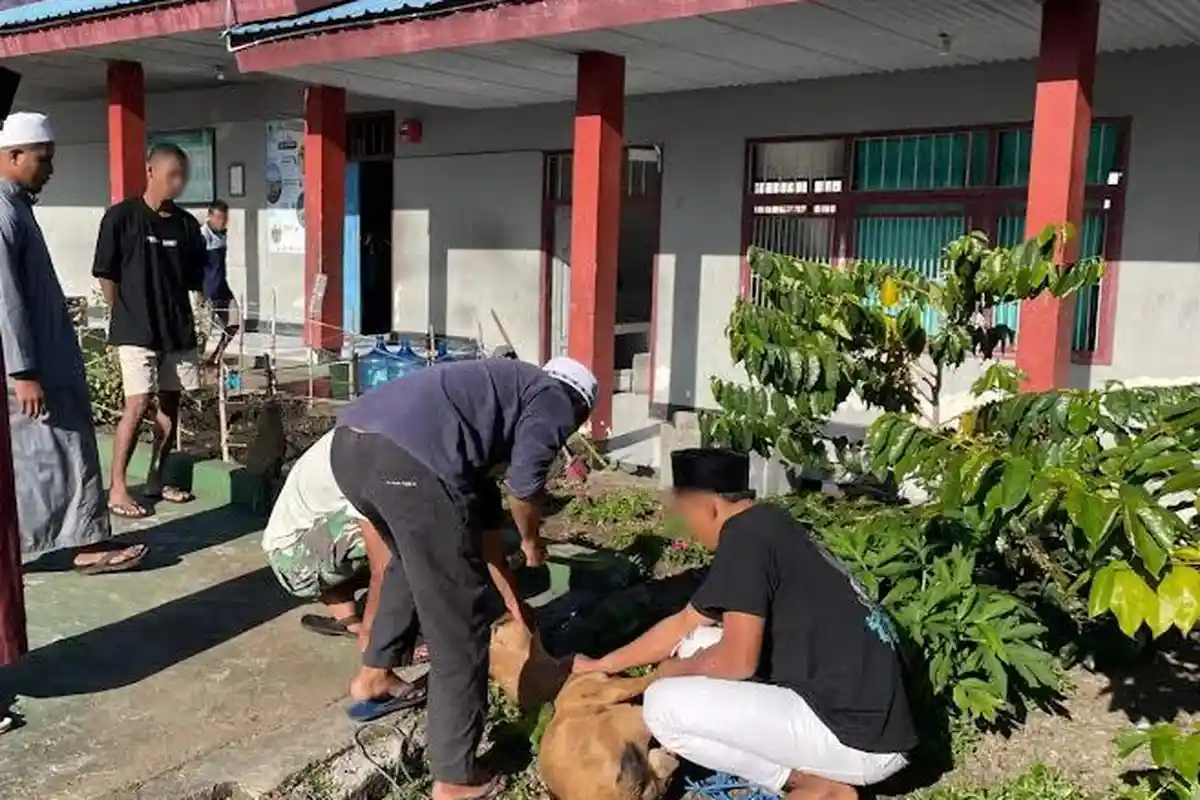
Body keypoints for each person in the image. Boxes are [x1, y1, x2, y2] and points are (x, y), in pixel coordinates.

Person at [574, 448, 917, 800]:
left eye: (685, 513)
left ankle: (810, 786)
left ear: (707, 505)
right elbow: (685, 623)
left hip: (858, 739)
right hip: (870, 716)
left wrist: (673, 671)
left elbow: (738, 662)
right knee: (696, 641)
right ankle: (820, 778)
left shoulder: (743, 540)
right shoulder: (766, 524)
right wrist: (603, 665)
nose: (688, 528)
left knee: (662, 706)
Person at [330, 355, 596, 800]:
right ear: (580, 406)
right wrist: (531, 542)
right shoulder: (553, 398)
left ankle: (373, 677)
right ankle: (455, 777)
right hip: (408, 464)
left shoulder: (492, 401)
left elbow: (483, 525)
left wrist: (512, 600)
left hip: (349, 448)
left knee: (413, 561)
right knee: (459, 625)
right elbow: (525, 489)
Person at [0, 111, 147, 573]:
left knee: (57, 456)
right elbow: (4, 298)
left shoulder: (17, 205)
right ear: (13, 155)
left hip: (47, 362)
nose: (50, 169)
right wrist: (23, 371)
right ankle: (84, 546)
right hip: (33, 369)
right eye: (43, 160)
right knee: (54, 457)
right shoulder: (2, 211)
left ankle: (77, 542)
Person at [93, 142, 206, 518]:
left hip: (176, 329)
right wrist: (123, 313)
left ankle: (158, 477)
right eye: (172, 174)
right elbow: (106, 275)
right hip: (135, 330)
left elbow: (194, 281)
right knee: (137, 403)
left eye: (183, 176)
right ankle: (118, 488)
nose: (178, 183)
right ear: (150, 171)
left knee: (171, 403)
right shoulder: (120, 218)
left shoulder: (189, 226)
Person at [262, 428, 428, 662]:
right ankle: (394, 630)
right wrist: (375, 642)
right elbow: (384, 566)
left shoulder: (381, 427)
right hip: (295, 561)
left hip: (309, 543)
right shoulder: (376, 452)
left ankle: (349, 618)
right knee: (406, 531)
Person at [199, 199, 239, 368]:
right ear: (210, 216)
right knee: (203, 331)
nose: (222, 222)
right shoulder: (202, 236)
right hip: (206, 290)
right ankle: (196, 362)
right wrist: (199, 293)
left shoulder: (223, 234)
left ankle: (216, 356)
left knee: (234, 322)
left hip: (222, 287)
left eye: (225, 218)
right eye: (219, 218)